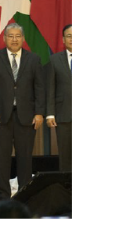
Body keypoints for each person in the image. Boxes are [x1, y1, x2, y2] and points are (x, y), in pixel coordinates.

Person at [0, 23, 45, 203]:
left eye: (17, 35)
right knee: (2, 159)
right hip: (1, 116)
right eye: (10, 36)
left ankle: (24, 194)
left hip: (26, 116)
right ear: (4, 38)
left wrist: (40, 113)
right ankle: (2, 196)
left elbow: (39, 88)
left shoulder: (34, 59)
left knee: (25, 158)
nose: (14, 39)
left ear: (23, 38)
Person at [46, 24, 72, 172]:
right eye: (69, 36)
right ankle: (68, 190)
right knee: (66, 155)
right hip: (64, 114)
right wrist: (50, 114)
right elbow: (50, 88)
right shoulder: (55, 60)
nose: (72, 39)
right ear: (63, 39)